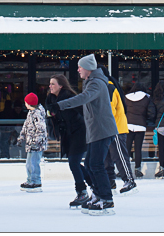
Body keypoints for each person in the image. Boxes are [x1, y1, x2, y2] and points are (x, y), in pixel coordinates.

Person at [46, 54, 118, 215]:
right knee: (90, 164)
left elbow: (83, 98)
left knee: (96, 164)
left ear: (88, 68)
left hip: (102, 130)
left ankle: (106, 199)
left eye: (80, 67)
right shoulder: (90, 82)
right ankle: (98, 195)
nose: (78, 70)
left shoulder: (97, 84)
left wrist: (59, 106)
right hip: (95, 131)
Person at [46, 74, 90, 207]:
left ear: (61, 85)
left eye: (53, 84)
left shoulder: (69, 97)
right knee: (74, 163)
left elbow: (84, 112)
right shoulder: (50, 99)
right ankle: (94, 185)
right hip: (67, 135)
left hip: (79, 132)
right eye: (50, 84)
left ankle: (82, 191)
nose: (50, 86)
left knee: (73, 162)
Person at [100, 67, 137, 195]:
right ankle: (110, 182)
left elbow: (109, 110)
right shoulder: (107, 87)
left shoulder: (109, 88)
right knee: (107, 157)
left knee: (119, 156)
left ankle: (129, 180)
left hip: (115, 128)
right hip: (108, 128)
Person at [124, 82, 156, 179]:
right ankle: (138, 169)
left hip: (128, 124)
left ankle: (125, 169)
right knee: (138, 148)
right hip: (140, 125)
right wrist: (148, 119)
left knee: (127, 148)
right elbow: (151, 112)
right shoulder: (146, 98)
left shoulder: (126, 97)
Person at [17, 93, 48, 192]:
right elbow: (26, 127)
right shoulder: (31, 113)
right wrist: (21, 137)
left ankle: (36, 181)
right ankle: (30, 180)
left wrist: (36, 141)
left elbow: (41, 129)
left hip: (36, 144)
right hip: (31, 143)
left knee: (34, 163)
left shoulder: (37, 114)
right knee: (29, 163)